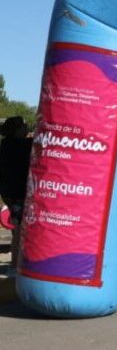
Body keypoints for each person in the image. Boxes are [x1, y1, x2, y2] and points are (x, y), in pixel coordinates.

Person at [0, 117, 32, 277]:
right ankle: (14, 266)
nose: (27, 128)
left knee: (16, 229)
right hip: (17, 193)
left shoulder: (6, 144)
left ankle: (15, 262)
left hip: (9, 193)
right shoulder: (20, 146)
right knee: (19, 230)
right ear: (17, 129)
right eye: (24, 126)